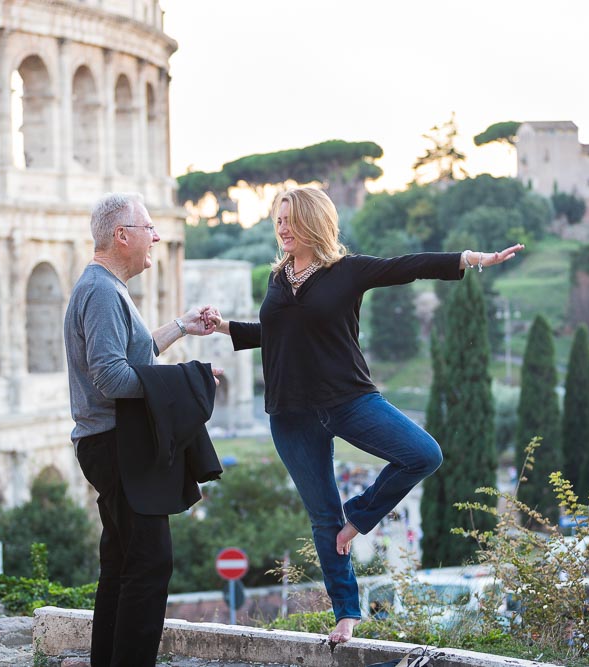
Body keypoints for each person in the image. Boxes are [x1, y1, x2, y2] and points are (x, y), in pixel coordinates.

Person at [207, 186, 522, 645]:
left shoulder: (347, 272)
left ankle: (359, 516)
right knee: (322, 518)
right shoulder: (277, 279)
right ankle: (346, 614)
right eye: (277, 219)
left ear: (313, 221)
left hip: (347, 400)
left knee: (423, 454)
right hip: (291, 414)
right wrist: (223, 327)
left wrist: (474, 258)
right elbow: (278, 333)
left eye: (290, 218)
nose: (281, 227)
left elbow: (409, 266)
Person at [64, 192, 222, 666]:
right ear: (122, 235)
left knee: (122, 564)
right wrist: (189, 378)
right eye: (148, 227)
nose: (156, 236)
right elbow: (111, 378)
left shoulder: (106, 288)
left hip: (112, 443)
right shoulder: (100, 291)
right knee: (150, 565)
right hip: (117, 445)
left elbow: (131, 356)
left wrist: (179, 328)